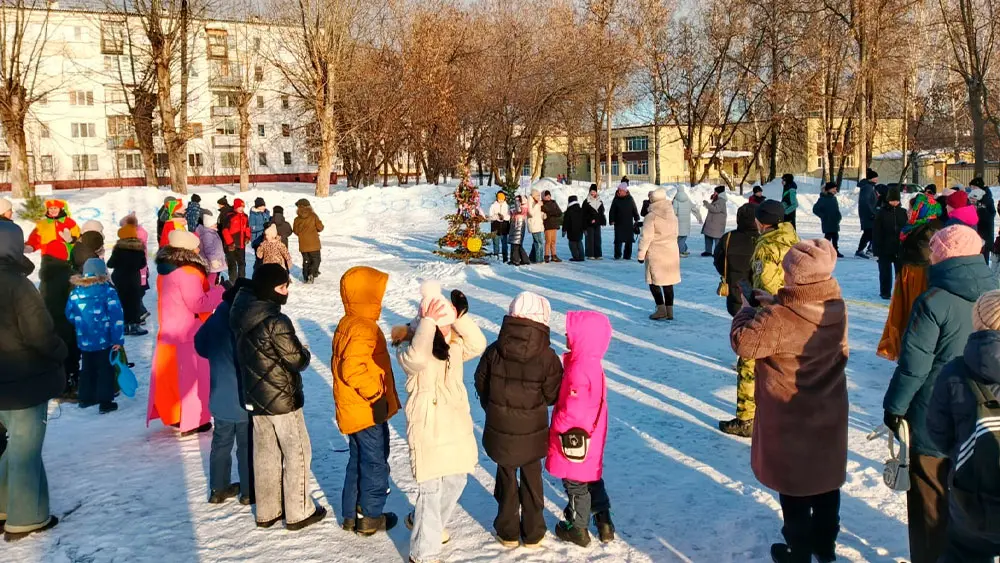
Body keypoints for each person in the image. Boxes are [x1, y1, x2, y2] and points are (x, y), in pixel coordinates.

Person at [730, 239, 849, 563]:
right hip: (829, 411)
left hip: (791, 416)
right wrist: (773, 303)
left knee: (795, 489)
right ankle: (825, 549)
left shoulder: (779, 320)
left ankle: (798, 554)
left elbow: (745, 344)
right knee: (825, 484)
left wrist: (746, 311)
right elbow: (800, 312)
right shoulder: (835, 305)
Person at [882, 225, 996, 563]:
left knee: (929, 499)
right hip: (987, 419)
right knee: (975, 502)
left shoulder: (933, 300)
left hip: (935, 414)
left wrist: (894, 407)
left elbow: (914, 365)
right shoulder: (997, 290)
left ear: (943, 257)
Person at [393, 282, 487, 563]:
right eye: (442, 327)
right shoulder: (410, 348)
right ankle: (424, 552)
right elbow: (419, 358)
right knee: (431, 490)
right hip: (428, 425)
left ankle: (426, 523)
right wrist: (427, 323)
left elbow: (479, 344)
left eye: (449, 326)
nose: (448, 333)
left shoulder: (455, 345)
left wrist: (459, 317)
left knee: (457, 479)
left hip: (455, 423)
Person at [230, 265, 323, 530]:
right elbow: (295, 360)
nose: (287, 291)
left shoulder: (242, 313)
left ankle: (268, 510)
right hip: (282, 399)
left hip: (256, 397)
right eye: (283, 287)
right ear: (270, 289)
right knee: (298, 452)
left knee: (265, 453)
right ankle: (299, 511)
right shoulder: (276, 321)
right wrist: (304, 352)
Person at [474, 291, 562, 548]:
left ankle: (508, 531)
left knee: (506, 477)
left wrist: (492, 406)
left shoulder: (495, 351)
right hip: (533, 431)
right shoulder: (547, 356)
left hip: (501, 427)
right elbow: (553, 394)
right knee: (533, 479)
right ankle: (534, 533)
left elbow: (481, 382)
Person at [0, 220, 67, 542]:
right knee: (25, 450)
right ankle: (27, 516)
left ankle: (4, 505)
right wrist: (61, 351)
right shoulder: (18, 285)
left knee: (14, 446)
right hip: (24, 379)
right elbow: (39, 333)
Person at [927, 290, 1000, 563]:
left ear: (978, 321)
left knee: (964, 553)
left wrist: (965, 452)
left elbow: (938, 432)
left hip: (971, 495)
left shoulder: (954, 371)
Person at [719, 200, 799, 437]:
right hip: (792, 313)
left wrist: (752, 302)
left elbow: (765, 284)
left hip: (769, 313)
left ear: (761, 221)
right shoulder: (793, 239)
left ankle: (747, 418)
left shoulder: (766, 247)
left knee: (749, 363)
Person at [332, 266, 401, 535]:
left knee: (358, 458)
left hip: (354, 409)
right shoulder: (363, 327)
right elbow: (353, 369)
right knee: (374, 461)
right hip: (366, 408)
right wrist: (376, 396)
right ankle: (371, 516)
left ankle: (351, 514)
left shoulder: (349, 321)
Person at [546, 310, 616, 548]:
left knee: (575, 484)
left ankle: (578, 528)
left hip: (574, 437)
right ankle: (604, 522)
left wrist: (558, 426)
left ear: (584, 337)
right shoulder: (590, 363)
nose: (566, 334)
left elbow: (573, 408)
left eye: (571, 331)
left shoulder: (578, 368)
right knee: (589, 477)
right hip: (591, 435)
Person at [148, 230, 224, 436]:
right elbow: (197, 303)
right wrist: (218, 291)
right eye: (196, 246)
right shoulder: (188, 272)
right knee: (193, 378)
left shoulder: (166, 270)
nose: (199, 249)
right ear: (188, 250)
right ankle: (194, 420)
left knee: (172, 378)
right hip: (189, 332)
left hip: (169, 331)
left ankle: (175, 415)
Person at [195, 280, 252, 506]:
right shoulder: (244, 322)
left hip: (219, 395)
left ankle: (218, 488)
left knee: (221, 443)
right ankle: (248, 490)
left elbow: (199, 345)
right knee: (247, 445)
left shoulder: (216, 318)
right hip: (244, 396)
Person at [877, 194, 945, 361]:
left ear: (921, 210)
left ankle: (914, 350)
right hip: (909, 273)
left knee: (913, 312)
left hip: (919, 275)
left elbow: (924, 255)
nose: (908, 212)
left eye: (912, 208)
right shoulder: (917, 226)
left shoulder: (930, 229)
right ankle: (905, 347)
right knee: (904, 311)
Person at [28, 199, 81, 400]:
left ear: (61, 209)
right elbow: (33, 242)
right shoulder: (42, 225)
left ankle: (64, 378)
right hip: (51, 265)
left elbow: (77, 238)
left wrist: (72, 239)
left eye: (55, 207)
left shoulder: (70, 222)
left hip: (63, 263)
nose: (52, 210)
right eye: (49, 208)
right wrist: (26, 247)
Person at [65, 257, 125, 414]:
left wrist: (81, 327)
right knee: (105, 369)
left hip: (84, 339)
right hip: (105, 340)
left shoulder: (75, 293)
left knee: (87, 367)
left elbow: (69, 314)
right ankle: (105, 401)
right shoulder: (108, 292)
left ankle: (86, 397)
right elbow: (116, 317)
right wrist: (117, 339)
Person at [637, 188, 681, 321]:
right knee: (668, 283)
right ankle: (670, 311)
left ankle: (660, 309)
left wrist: (640, 254)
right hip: (671, 251)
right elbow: (676, 233)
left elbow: (646, 237)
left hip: (656, 252)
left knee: (653, 282)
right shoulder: (672, 213)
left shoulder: (651, 216)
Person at [714, 203, 760, 317]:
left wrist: (728, 274)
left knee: (739, 324)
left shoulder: (728, 237)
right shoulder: (763, 240)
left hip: (735, 290)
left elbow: (718, 261)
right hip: (759, 292)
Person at [108, 223, 149, 335]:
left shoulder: (118, 249)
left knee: (122, 302)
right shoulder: (139, 248)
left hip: (119, 279)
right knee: (134, 302)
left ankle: (125, 326)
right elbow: (142, 264)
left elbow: (110, 264)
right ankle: (135, 325)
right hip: (134, 279)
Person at [873, 186, 908, 299]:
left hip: (899, 248)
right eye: (892, 200)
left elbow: (906, 230)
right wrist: (876, 249)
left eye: (896, 200)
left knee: (901, 273)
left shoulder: (903, 212)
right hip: (884, 248)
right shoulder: (881, 213)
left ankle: (900, 292)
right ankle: (885, 292)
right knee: (885, 273)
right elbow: (876, 232)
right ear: (888, 200)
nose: (894, 202)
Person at [293, 198, 324, 284]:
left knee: (306, 260)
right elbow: (320, 227)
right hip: (314, 243)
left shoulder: (297, 219)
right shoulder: (313, 216)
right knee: (316, 259)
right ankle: (312, 273)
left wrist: (302, 234)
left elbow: (295, 231)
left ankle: (306, 277)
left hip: (303, 244)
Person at [222, 198, 251, 280]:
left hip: (241, 244)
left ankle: (242, 281)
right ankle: (232, 282)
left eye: (243, 207)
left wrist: (247, 237)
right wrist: (230, 243)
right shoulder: (229, 216)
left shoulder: (245, 216)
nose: (241, 209)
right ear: (236, 207)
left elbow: (247, 228)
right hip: (231, 245)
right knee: (232, 264)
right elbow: (225, 230)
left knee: (242, 264)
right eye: (240, 207)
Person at [609, 183, 639, 260]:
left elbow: (634, 209)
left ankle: (627, 256)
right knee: (618, 240)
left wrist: (636, 218)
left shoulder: (630, 199)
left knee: (629, 240)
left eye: (620, 190)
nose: (619, 192)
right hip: (618, 223)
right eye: (618, 190)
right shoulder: (616, 199)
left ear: (625, 191)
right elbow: (612, 211)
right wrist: (612, 220)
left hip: (628, 223)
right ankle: (617, 255)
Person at [813, 182, 843, 257]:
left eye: (836, 189)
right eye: (833, 189)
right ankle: (823, 250)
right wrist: (823, 216)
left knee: (835, 236)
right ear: (828, 189)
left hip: (835, 221)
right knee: (828, 236)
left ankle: (835, 250)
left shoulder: (834, 198)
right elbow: (815, 209)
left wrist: (839, 216)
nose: (835, 190)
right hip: (827, 221)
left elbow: (836, 209)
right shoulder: (822, 199)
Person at [969, 177, 995, 264]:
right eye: (971, 187)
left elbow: (990, 216)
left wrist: (978, 206)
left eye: (974, 187)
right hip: (976, 233)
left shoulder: (987, 199)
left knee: (983, 260)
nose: (972, 189)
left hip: (985, 234)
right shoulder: (972, 197)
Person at [195, 213, 227, 285]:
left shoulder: (212, 232)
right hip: (211, 262)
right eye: (214, 224)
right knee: (211, 279)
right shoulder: (208, 234)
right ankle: (211, 290)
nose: (216, 225)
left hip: (216, 260)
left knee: (215, 277)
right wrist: (213, 260)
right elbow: (208, 248)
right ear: (209, 225)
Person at [672, 185, 701, 258]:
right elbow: (694, 209)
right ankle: (683, 249)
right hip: (686, 222)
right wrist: (699, 217)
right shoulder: (688, 200)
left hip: (678, 222)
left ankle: (681, 251)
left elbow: (673, 212)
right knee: (683, 237)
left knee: (679, 237)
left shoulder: (676, 200)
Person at [856, 168, 879, 258]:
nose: (877, 179)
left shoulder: (869, 187)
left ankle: (868, 249)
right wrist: (872, 213)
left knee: (870, 233)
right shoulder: (867, 188)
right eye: (875, 178)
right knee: (869, 233)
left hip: (869, 214)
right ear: (871, 178)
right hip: (868, 215)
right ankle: (862, 250)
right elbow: (865, 202)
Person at [701, 186, 728, 256]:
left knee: (717, 238)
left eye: (715, 191)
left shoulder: (721, 200)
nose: (714, 193)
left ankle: (717, 252)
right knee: (708, 236)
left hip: (717, 223)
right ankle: (708, 251)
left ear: (719, 192)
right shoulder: (718, 199)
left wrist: (707, 204)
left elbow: (716, 209)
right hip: (713, 222)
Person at [583, 185, 606, 259]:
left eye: (594, 191)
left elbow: (602, 212)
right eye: (591, 192)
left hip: (597, 223)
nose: (593, 193)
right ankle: (590, 254)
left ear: (596, 192)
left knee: (598, 239)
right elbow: (583, 214)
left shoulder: (600, 201)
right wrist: (590, 219)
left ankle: (598, 254)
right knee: (590, 239)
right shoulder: (586, 201)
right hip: (589, 224)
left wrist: (603, 220)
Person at [540, 191, 563, 263]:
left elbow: (559, 212)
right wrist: (552, 212)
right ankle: (546, 256)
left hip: (554, 225)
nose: (548, 197)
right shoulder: (542, 204)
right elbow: (545, 212)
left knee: (553, 241)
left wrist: (551, 213)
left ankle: (554, 255)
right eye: (546, 195)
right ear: (543, 197)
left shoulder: (553, 202)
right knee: (548, 241)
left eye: (549, 195)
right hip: (547, 225)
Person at [562, 195, 586, 262]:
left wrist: (564, 230)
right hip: (579, 230)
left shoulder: (569, 211)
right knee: (579, 242)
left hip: (571, 231)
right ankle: (581, 257)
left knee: (572, 244)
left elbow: (566, 221)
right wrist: (584, 229)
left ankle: (576, 257)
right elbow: (584, 220)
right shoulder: (581, 210)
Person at [488, 192, 511, 262]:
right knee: (496, 243)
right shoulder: (493, 205)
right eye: (499, 199)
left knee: (504, 243)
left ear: (504, 199)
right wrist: (496, 217)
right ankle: (496, 256)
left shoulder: (507, 206)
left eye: (502, 199)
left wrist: (504, 217)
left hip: (504, 227)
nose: (500, 200)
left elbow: (509, 216)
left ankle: (505, 258)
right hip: (495, 226)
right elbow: (490, 216)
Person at [508, 197, 530, 267]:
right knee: (517, 244)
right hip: (516, 224)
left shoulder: (523, 206)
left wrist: (517, 202)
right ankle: (524, 259)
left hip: (518, 224)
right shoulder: (523, 206)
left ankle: (515, 260)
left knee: (516, 244)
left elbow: (519, 210)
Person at [526, 189, 546, 263]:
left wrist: (542, 214)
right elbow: (531, 213)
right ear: (534, 196)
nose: (539, 197)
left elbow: (537, 213)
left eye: (539, 196)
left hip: (538, 224)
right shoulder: (530, 202)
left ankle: (533, 258)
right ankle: (539, 259)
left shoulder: (536, 202)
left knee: (537, 242)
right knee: (539, 243)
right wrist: (537, 205)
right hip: (534, 225)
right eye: (537, 196)